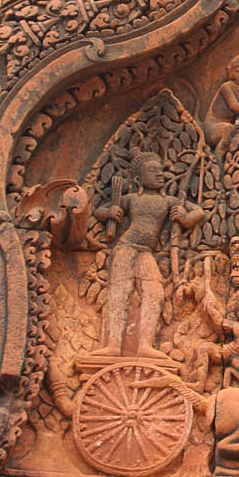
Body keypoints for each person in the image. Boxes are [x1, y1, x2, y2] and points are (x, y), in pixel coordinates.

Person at [99, 151, 206, 355]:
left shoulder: (168, 201)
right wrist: (110, 212)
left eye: (160, 170)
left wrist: (184, 218)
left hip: (146, 252)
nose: (159, 174)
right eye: (152, 170)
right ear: (138, 178)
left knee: (155, 294)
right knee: (120, 293)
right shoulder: (130, 199)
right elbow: (100, 211)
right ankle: (112, 346)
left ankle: (145, 345)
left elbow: (198, 212)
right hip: (126, 247)